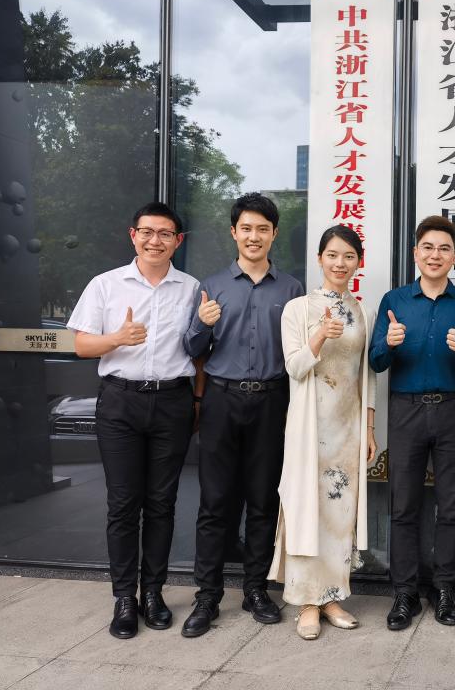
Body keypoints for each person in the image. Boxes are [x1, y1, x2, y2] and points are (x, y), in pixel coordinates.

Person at [67, 202, 200, 639]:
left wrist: (197, 401)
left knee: (162, 503)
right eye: (147, 232)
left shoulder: (191, 289)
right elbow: (82, 346)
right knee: (123, 504)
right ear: (133, 235)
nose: (155, 241)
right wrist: (117, 338)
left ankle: (153, 593)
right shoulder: (106, 285)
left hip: (172, 401)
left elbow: (200, 349)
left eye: (165, 234)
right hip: (121, 402)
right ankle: (124, 597)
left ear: (178, 241)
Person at [181, 192, 304, 638]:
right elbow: (191, 349)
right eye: (246, 228)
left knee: (263, 500)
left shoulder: (291, 290)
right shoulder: (211, 286)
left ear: (273, 234)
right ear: (234, 232)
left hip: (272, 401)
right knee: (215, 502)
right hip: (222, 399)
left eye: (262, 229)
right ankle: (207, 596)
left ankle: (256, 590)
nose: (254, 236)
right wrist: (203, 323)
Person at [369, 215, 455, 630]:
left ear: (454, 256)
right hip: (406, 410)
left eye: (444, 249)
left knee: (451, 505)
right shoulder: (394, 300)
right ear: (415, 253)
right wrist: (388, 344)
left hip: (453, 410)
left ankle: (444, 588)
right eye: (428, 248)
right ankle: (404, 593)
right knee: (403, 505)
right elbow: (376, 362)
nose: (436, 255)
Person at [268, 225, 378, 640]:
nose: (340, 263)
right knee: (307, 509)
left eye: (348, 256)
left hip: (348, 427)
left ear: (358, 262)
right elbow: (294, 367)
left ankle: (332, 597)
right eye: (332, 255)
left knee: (340, 513)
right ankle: (307, 603)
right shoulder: (297, 309)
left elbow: (368, 375)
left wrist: (369, 428)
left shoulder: (363, 312)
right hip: (309, 427)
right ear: (319, 259)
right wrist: (318, 336)